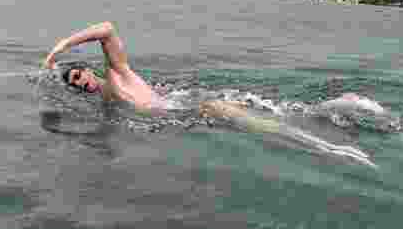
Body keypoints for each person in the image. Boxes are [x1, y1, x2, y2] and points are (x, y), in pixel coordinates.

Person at [43, 21, 380, 166]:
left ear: (88, 69)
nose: (80, 83)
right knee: (283, 114)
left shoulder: (118, 75)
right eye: (74, 83)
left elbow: (107, 29)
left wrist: (61, 45)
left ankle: (333, 149)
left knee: (274, 129)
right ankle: (341, 106)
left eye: (77, 75)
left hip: (205, 109)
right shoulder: (106, 101)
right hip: (191, 110)